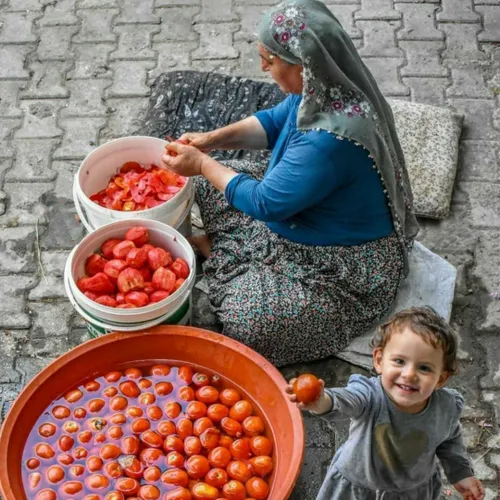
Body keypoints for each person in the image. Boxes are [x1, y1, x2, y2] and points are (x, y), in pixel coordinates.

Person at [161, 0, 419, 367]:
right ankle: (221, 251)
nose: (264, 67)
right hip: (298, 217)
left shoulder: (328, 143)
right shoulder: (324, 88)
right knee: (204, 185)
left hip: (337, 265)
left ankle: (218, 253)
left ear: (302, 64)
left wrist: (203, 164)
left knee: (248, 324)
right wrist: (210, 140)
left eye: (270, 59)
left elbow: (266, 204)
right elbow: (271, 123)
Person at [287, 307, 484, 500]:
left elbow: (449, 440)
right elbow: (345, 400)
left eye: (424, 368)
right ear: (379, 360)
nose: (408, 374)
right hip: (358, 488)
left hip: (412, 490)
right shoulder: (369, 395)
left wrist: (461, 473)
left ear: (440, 379)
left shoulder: (446, 407)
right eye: (399, 361)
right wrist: (320, 400)